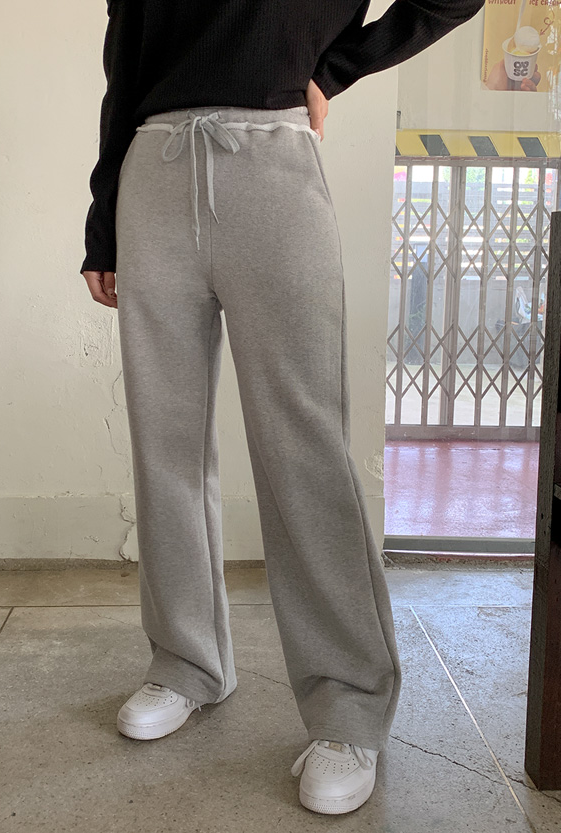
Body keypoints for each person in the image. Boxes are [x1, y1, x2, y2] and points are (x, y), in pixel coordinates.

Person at [80, 0, 486, 816]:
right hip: (154, 167)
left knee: (305, 445)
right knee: (164, 441)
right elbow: (125, 62)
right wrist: (104, 222)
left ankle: (348, 707)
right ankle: (187, 662)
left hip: (272, 158)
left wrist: (333, 68)